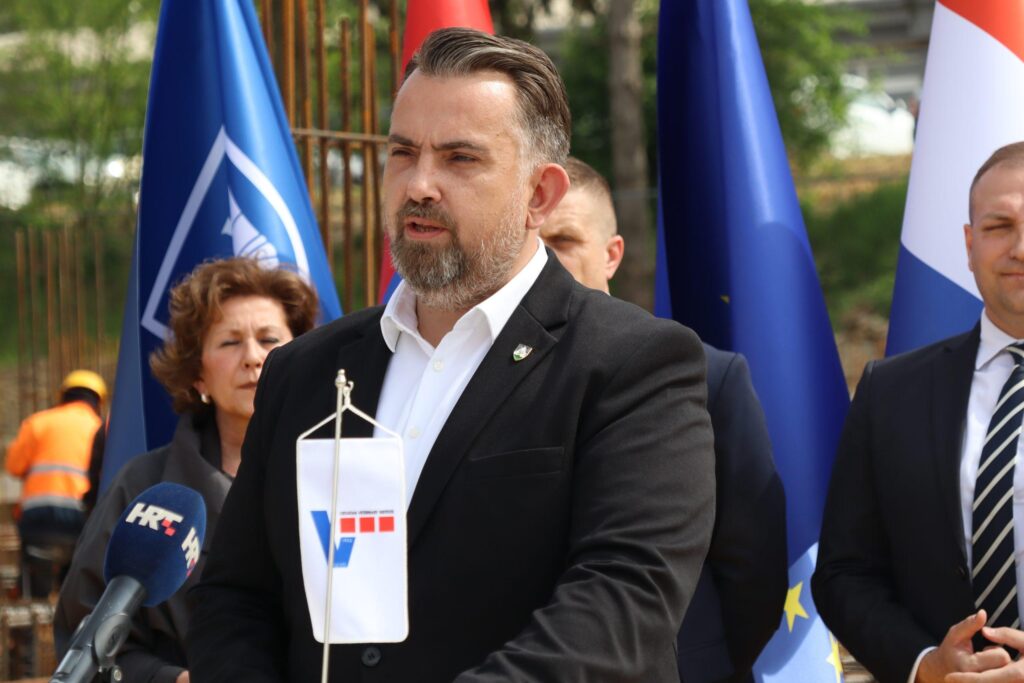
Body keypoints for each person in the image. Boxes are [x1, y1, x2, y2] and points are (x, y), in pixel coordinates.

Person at [187, 27, 715, 682]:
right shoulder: (306, 370)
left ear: (539, 195)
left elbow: (621, 604)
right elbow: (235, 596)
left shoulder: (636, 364)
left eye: (460, 158)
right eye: (402, 153)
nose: (419, 185)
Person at [541, 157, 787, 682]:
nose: (545, 260)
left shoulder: (706, 377)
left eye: (564, 241)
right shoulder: (486, 382)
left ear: (612, 254)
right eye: (532, 243)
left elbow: (754, 569)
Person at [813, 141, 1024, 683]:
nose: (1020, 248)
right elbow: (844, 573)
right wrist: (925, 663)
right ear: (970, 245)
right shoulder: (890, 392)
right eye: (1000, 226)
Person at [54, 258, 319, 683]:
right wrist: (172, 679)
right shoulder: (143, 486)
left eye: (270, 339)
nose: (253, 358)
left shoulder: (347, 474)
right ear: (198, 375)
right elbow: (84, 636)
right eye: (230, 342)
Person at [5, 369, 106, 597]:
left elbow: (14, 466)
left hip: (37, 514)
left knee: (34, 567)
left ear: (63, 396)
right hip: (80, 515)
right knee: (76, 568)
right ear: (99, 401)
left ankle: (32, 595)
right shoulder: (99, 428)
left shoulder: (37, 422)